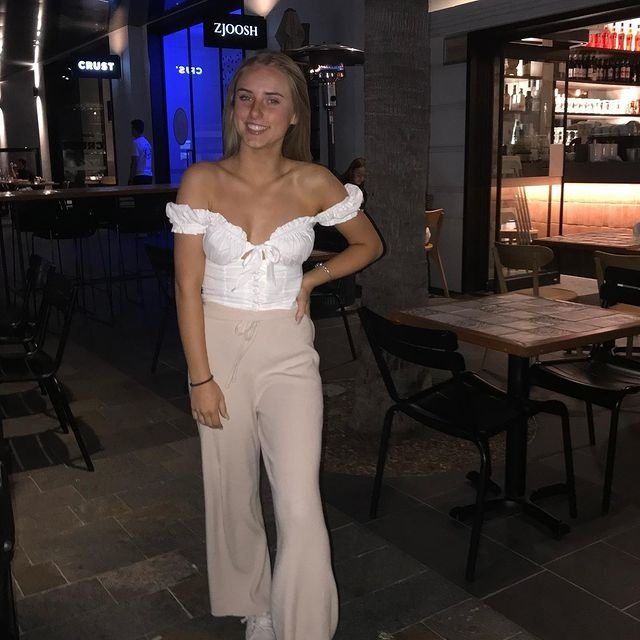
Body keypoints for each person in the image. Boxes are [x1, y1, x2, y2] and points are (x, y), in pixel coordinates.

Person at [166, 51, 382, 640]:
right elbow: (186, 288)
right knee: (231, 490)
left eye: (271, 100)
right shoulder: (203, 179)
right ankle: (253, 603)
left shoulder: (314, 181)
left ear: (293, 114)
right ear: (233, 108)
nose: (256, 112)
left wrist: (313, 278)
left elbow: (367, 245)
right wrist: (200, 377)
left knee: (299, 501)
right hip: (217, 349)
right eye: (246, 98)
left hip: (288, 351)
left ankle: (304, 627)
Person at [129, 119, 153, 184]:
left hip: (139, 176)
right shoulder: (147, 143)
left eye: (132, 128)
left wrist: (131, 178)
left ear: (135, 129)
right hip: (149, 175)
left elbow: (134, 162)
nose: (131, 130)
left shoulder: (135, 143)